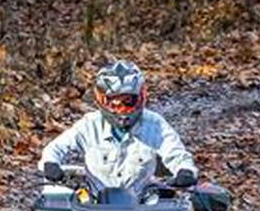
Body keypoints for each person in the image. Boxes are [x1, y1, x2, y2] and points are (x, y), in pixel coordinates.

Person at [38, 60, 199, 196]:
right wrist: (50, 163)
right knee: (52, 195)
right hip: (95, 206)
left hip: (142, 207)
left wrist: (185, 171)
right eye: (114, 102)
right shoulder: (90, 124)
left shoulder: (155, 124)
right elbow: (55, 148)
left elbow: (176, 153)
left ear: (140, 97)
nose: (121, 108)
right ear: (102, 100)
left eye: (128, 101)